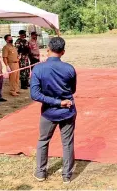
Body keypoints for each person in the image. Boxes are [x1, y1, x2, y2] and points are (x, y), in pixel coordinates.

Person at [31, 37, 77, 184]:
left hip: (48, 112)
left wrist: (54, 102)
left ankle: (40, 173)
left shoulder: (38, 68)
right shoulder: (69, 69)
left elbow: (35, 94)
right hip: (67, 111)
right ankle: (66, 176)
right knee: (67, 143)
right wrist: (60, 102)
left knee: (43, 141)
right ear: (63, 52)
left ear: (48, 50)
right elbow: (72, 89)